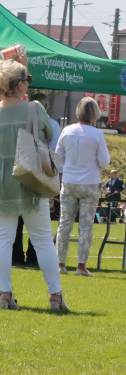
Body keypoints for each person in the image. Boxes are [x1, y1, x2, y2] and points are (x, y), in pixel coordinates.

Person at [0, 59, 68, 312]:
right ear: (20, 85)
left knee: (3, 239)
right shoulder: (34, 108)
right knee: (41, 239)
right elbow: (50, 134)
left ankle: (4, 294)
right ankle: (55, 296)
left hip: (2, 181)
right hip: (30, 177)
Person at [54, 97, 110, 276]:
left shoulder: (67, 130)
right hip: (90, 183)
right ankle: (80, 266)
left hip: (69, 181)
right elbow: (104, 162)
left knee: (64, 224)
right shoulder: (97, 134)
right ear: (94, 114)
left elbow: (58, 158)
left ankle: (60, 264)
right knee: (86, 226)